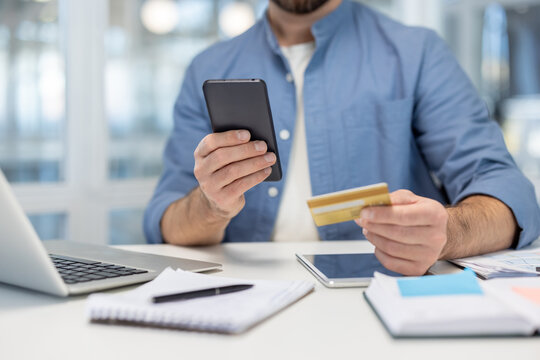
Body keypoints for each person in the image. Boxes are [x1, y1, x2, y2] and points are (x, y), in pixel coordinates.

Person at [143, 0, 540, 275]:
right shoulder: (207, 68)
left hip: (381, 295)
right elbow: (164, 225)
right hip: (241, 294)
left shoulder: (417, 54)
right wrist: (211, 205)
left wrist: (446, 233)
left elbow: (512, 198)